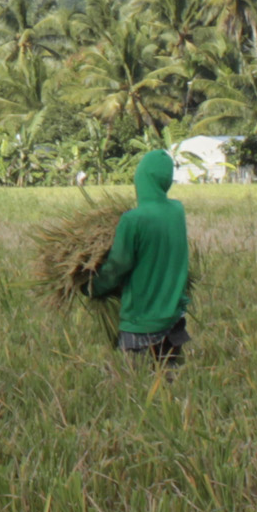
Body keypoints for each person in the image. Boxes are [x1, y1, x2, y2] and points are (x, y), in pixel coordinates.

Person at [89, 147, 191, 363]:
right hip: (174, 318)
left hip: (141, 321)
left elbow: (118, 265)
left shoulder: (132, 220)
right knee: (169, 383)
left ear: (141, 180)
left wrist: (94, 287)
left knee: (131, 386)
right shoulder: (177, 211)